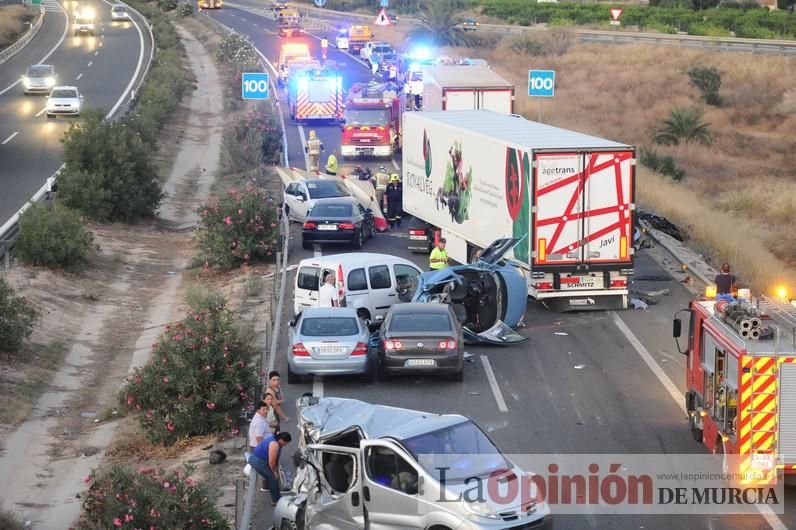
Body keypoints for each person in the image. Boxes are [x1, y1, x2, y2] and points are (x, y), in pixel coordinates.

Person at [248, 432, 292, 506]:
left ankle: (269, 488)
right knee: (273, 478)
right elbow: (271, 462)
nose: (285, 445)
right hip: (258, 461)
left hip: (257, 458)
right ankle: (276, 500)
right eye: (285, 442)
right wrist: (275, 472)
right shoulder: (274, 445)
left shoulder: (273, 438)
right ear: (281, 440)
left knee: (271, 475)